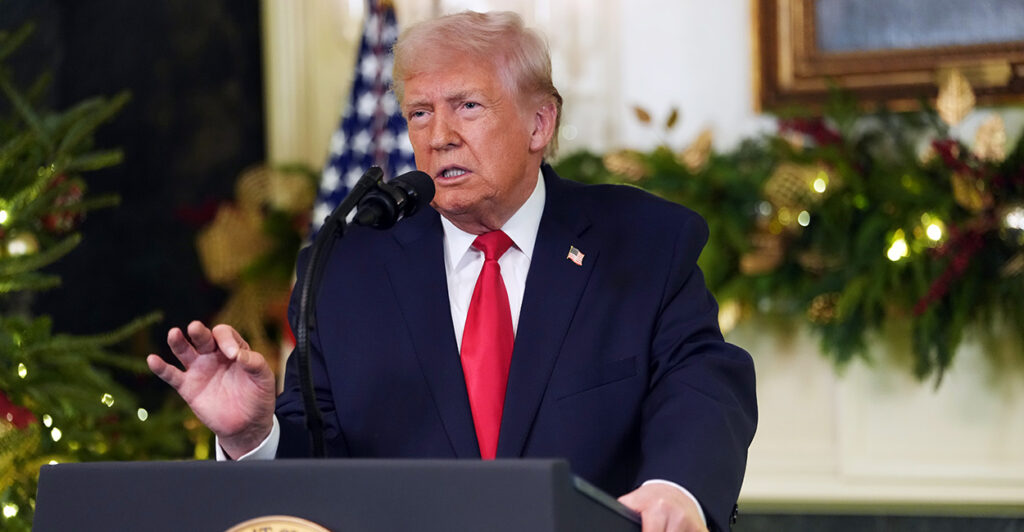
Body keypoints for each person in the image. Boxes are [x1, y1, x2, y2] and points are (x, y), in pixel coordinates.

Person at [148, 11, 756, 532]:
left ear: (539, 124)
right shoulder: (348, 265)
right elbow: (322, 459)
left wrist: (679, 490)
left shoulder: (641, 241)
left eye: (467, 106)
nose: (439, 137)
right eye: (418, 113)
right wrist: (254, 434)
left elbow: (702, 380)